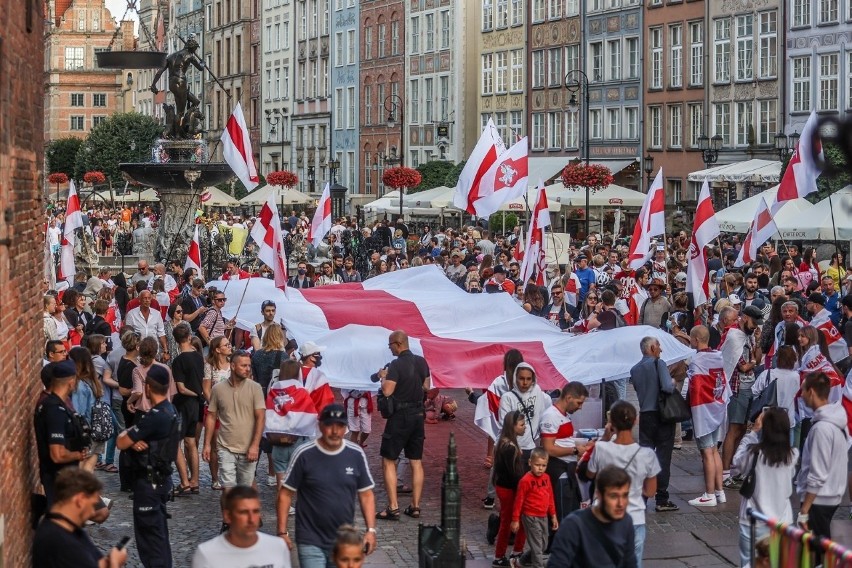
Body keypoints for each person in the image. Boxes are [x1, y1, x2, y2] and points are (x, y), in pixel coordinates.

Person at [277, 404, 377, 568]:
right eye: (330, 425)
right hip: (310, 537)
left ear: (346, 428)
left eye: (340, 426)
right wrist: (282, 532)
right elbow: (285, 493)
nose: (335, 431)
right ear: (320, 425)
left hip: (343, 539)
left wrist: (371, 530)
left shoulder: (355, 454)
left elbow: (366, 494)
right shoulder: (304, 454)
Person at [116, 364, 181, 568]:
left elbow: (120, 441)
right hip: (160, 480)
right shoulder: (171, 410)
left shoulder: (155, 416)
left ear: (147, 388)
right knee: (158, 537)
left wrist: (130, 439)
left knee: (150, 540)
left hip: (149, 483)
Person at [587, 401, 659, 567]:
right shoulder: (647, 455)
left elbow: (589, 473)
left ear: (611, 423)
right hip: (634, 518)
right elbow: (651, 491)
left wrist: (605, 437)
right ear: (635, 421)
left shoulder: (601, 449)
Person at [373, 330, 430, 521]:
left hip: (400, 417)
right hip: (418, 415)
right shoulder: (421, 361)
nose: (389, 349)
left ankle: (393, 507)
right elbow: (427, 387)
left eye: (390, 346)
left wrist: (383, 377)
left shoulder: (396, 365)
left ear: (398, 344)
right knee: (416, 461)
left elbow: (387, 391)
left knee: (389, 459)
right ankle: (415, 506)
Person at [732, 407, 797, 568]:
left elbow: (736, 463)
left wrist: (753, 432)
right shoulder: (793, 455)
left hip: (753, 521)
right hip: (782, 522)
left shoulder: (753, 453)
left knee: (749, 562)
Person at [32, 468, 128, 568]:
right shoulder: (60, 542)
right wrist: (115, 564)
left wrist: (107, 562)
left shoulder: (72, 529)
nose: (92, 512)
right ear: (80, 500)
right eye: (93, 505)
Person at [547, 465, 636, 568]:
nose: (621, 503)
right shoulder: (573, 525)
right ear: (599, 495)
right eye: (613, 496)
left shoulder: (626, 522)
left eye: (625, 495)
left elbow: (630, 563)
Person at [796, 371, 849, 542]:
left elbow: (818, 473)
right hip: (830, 494)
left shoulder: (821, 429)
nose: (801, 395)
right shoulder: (836, 420)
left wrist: (805, 509)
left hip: (820, 498)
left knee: (818, 549)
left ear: (811, 392)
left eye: (802, 390)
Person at [203, 350, 266, 492]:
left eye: (249, 366)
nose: (247, 369)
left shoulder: (255, 388)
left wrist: (255, 445)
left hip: (248, 447)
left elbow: (261, 417)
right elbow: (211, 416)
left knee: (247, 488)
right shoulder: (218, 389)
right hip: (225, 447)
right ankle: (229, 514)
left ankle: (251, 513)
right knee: (228, 488)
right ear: (232, 366)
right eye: (243, 366)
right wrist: (207, 444)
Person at [629, 336, 677, 512]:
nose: (661, 349)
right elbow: (666, 386)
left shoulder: (634, 369)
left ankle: (641, 496)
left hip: (646, 415)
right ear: (651, 347)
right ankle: (662, 498)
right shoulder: (659, 364)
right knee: (663, 456)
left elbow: (637, 389)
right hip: (662, 415)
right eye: (658, 346)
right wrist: (672, 383)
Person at [683, 325, 729, 507]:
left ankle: (709, 494)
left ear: (695, 340)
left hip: (703, 410)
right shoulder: (717, 356)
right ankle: (720, 491)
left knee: (707, 452)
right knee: (714, 451)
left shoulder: (697, 360)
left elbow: (695, 387)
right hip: (716, 407)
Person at [35, 360, 91, 505]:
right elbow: (57, 454)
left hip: (64, 475)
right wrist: (78, 455)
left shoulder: (58, 404)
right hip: (58, 476)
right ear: (71, 382)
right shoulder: (54, 409)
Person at [192, 485, 291, 567]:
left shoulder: (278, 547)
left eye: (256, 511)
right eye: (243, 512)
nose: (251, 519)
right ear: (227, 516)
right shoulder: (207, 554)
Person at [721, 305, 763, 489]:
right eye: (754, 323)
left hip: (749, 386)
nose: (755, 327)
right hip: (737, 388)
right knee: (734, 428)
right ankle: (724, 473)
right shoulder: (733, 336)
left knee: (742, 428)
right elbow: (743, 366)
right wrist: (753, 361)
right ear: (744, 318)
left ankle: (732, 469)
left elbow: (757, 360)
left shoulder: (749, 335)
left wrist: (758, 343)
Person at [539, 382, 591, 522]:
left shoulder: (564, 415)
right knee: (563, 518)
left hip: (568, 470)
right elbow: (548, 449)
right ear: (568, 398)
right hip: (559, 472)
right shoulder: (550, 416)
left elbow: (563, 440)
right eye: (579, 403)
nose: (580, 407)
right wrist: (575, 450)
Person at [171, 323, 204, 496]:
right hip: (196, 404)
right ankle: (195, 481)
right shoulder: (199, 357)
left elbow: (181, 388)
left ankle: (184, 481)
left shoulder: (178, 361)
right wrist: (199, 394)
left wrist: (194, 394)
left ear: (176, 341)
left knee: (175, 443)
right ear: (189, 337)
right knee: (191, 442)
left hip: (184, 403)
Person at [491, 411, 528, 567]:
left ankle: (507, 554)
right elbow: (514, 475)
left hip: (504, 487)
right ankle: (507, 554)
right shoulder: (510, 447)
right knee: (513, 521)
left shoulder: (503, 443)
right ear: (513, 427)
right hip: (510, 489)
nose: (524, 427)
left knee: (509, 520)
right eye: (522, 424)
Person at [510, 448, 558, 568]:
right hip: (530, 516)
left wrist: (553, 515)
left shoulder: (546, 478)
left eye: (543, 465)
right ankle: (538, 565)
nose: (540, 468)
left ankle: (520, 562)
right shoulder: (525, 481)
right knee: (537, 548)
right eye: (537, 465)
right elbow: (518, 501)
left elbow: (550, 497)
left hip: (543, 516)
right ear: (530, 462)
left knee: (543, 545)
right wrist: (515, 519)